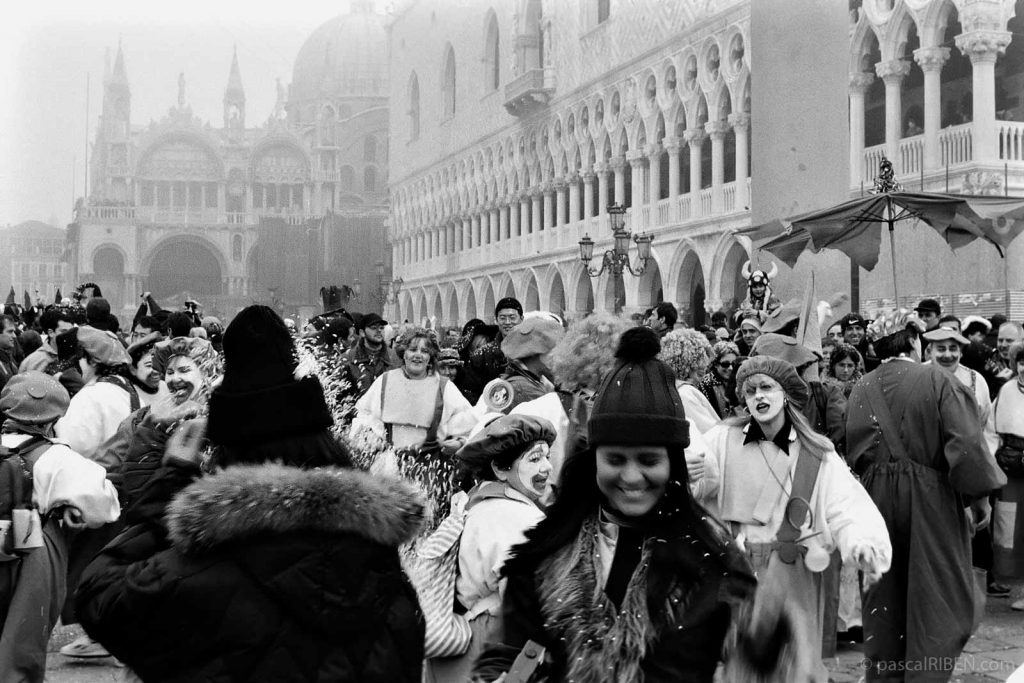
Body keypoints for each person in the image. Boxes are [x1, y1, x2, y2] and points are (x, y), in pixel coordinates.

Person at [75, 305, 427, 682]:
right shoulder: (380, 567)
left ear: (228, 456)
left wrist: (173, 482)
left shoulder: (198, 573)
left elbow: (98, 594)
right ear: (328, 447)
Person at [473, 327, 758, 682]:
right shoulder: (544, 560)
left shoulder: (717, 565)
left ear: (673, 465)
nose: (632, 477)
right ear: (594, 460)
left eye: (649, 461)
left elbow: (755, 662)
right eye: (616, 460)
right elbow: (506, 652)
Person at [694, 356, 891, 678]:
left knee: (795, 668)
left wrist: (862, 543)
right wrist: (690, 471)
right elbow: (698, 485)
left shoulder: (817, 452)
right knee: (741, 667)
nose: (759, 396)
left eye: (767, 387)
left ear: (785, 393)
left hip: (795, 572)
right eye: (750, 391)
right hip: (739, 571)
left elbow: (845, 507)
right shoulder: (721, 440)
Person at [846, 310, 1006, 680]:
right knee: (937, 596)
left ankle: (885, 675)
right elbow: (966, 446)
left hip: (874, 501)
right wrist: (978, 498)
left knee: (883, 599)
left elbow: (854, 448)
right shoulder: (939, 380)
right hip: (930, 496)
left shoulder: (860, 387)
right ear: (915, 340)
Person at [0, 372, 120, 683]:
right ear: (52, 418)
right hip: (32, 545)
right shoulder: (56, 457)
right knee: (22, 635)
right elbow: (103, 506)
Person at [423, 414, 554, 683]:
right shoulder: (515, 518)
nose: (547, 467)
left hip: (460, 651)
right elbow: (530, 611)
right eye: (534, 459)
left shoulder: (478, 504)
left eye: (547, 456)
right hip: (491, 650)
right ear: (500, 468)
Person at [351, 327, 475, 522]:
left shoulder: (444, 387)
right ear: (403, 353)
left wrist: (457, 442)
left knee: (426, 525)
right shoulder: (385, 381)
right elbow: (364, 415)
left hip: (433, 470)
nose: (418, 355)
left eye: (425, 351)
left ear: (431, 356)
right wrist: (370, 437)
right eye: (413, 350)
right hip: (391, 467)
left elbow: (467, 424)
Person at [990, 341, 1024, 605]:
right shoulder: (1006, 390)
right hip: (1012, 469)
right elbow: (991, 431)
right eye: (1021, 362)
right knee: (1011, 528)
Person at [660, 328, 720, 435]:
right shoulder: (685, 393)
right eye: (700, 357)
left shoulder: (671, 388)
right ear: (687, 360)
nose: (705, 365)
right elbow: (710, 432)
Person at [499, 316, 564, 410]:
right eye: (551, 350)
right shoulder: (525, 389)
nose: (556, 357)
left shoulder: (525, 381)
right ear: (535, 354)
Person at [340, 312, 401, 400]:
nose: (379, 331)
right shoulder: (347, 359)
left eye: (381, 328)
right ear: (362, 333)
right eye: (373, 328)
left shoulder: (394, 357)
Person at [18, 308, 73, 374]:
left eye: (72, 331)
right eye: (64, 331)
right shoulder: (35, 361)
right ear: (51, 333)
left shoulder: (76, 355)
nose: (70, 335)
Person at [699, 340, 740, 419]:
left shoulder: (740, 379)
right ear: (716, 364)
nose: (730, 368)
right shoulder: (705, 384)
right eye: (725, 364)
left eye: (734, 364)